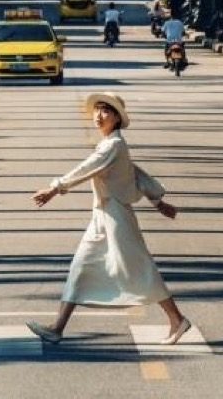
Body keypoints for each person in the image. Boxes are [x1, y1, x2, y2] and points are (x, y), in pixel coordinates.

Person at [29, 91, 192, 348]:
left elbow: (88, 168)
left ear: (117, 118)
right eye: (97, 110)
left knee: (140, 268)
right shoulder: (111, 145)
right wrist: (157, 200)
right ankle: (57, 328)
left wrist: (55, 188)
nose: (99, 115)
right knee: (81, 267)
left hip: (116, 215)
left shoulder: (113, 146)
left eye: (106, 111)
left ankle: (177, 319)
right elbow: (134, 173)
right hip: (102, 215)